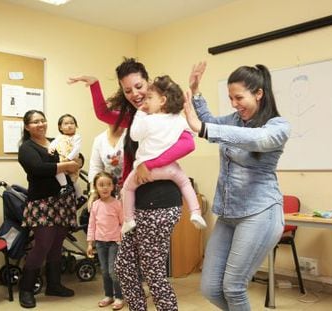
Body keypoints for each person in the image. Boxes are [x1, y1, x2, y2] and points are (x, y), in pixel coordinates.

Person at [68, 57, 195, 310]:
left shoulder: (165, 113)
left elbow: (188, 143)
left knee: (153, 273)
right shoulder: (137, 117)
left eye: (139, 87)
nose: (135, 94)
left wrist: (151, 164)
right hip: (138, 202)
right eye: (128, 90)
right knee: (124, 267)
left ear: (148, 82)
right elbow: (104, 113)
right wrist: (94, 85)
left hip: (159, 201)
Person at [183, 61, 291, 310]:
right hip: (228, 214)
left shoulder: (278, 127)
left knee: (233, 287)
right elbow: (210, 122)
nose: (234, 104)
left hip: (260, 212)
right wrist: (196, 92)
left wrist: (204, 129)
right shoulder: (233, 120)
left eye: (239, 97)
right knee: (210, 288)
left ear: (259, 93)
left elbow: (256, 139)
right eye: (230, 98)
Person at [121, 75, 207, 234]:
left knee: (127, 189)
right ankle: (195, 212)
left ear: (162, 101)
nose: (145, 102)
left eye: (149, 98)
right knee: (185, 184)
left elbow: (134, 135)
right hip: (170, 169)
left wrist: (140, 114)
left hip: (146, 170)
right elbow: (191, 135)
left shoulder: (148, 120)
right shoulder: (178, 120)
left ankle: (128, 220)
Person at [17, 110, 80, 308]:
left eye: (43, 120)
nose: (40, 124)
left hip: (63, 200)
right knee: (43, 244)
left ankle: (54, 285)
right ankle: (26, 289)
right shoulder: (26, 148)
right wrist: (67, 165)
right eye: (35, 122)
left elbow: (77, 158)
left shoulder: (55, 140)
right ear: (27, 127)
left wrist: (76, 163)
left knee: (57, 243)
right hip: (41, 202)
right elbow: (38, 168)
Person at [86, 171, 125, 310]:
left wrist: (121, 239)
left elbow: (123, 223)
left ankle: (119, 296)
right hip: (100, 243)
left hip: (115, 242)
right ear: (96, 187)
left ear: (113, 187)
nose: (105, 188)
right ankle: (108, 295)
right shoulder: (95, 205)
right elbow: (91, 225)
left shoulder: (117, 204)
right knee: (104, 270)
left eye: (108, 184)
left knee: (113, 271)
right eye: (101, 185)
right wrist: (90, 243)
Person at [49, 113, 85, 205]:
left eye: (72, 123)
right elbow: (53, 143)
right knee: (58, 171)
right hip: (62, 160)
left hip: (72, 160)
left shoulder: (76, 137)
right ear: (60, 127)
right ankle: (64, 186)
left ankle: (80, 196)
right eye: (66, 124)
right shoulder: (59, 137)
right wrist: (51, 148)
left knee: (74, 179)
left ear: (76, 126)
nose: (69, 125)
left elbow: (76, 149)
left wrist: (69, 159)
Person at [87, 123, 126, 208]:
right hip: (108, 190)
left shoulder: (130, 136)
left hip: (129, 189)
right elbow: (95, 167)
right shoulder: (99, 140)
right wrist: (93, 192)